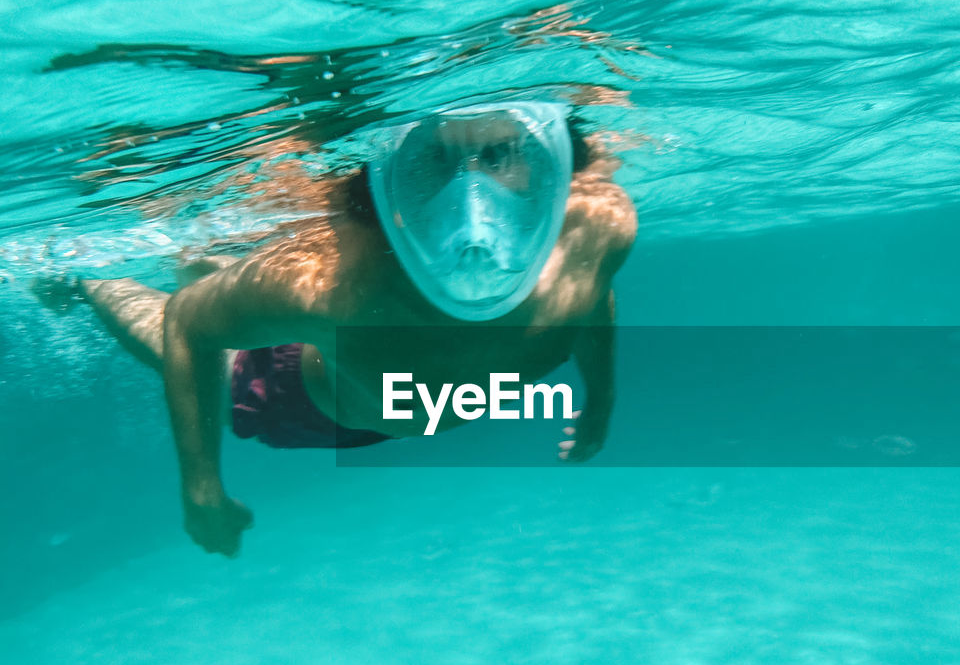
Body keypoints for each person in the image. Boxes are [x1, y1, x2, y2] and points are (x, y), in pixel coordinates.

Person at [54, 100, 636, 556]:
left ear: (545, 161)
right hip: (304, 397)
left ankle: (210, 265)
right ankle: (82, 274)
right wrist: (200, 487)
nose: (473, 202)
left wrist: (603, 397)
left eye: (501, 153)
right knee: (198, 338)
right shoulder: (331, 289)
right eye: (436, 160)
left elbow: (590, 291)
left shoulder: (597, 230)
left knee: (222, 279)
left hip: (367, 383)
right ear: (395, 174)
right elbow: (187, 323)